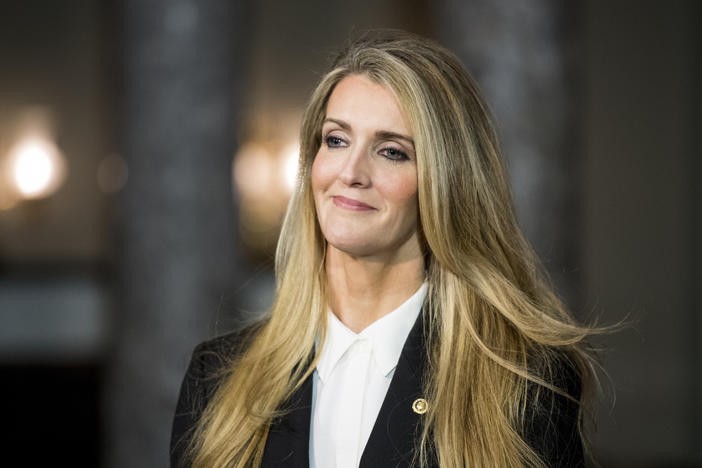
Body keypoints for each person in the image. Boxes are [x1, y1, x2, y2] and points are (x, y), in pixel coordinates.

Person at [171, 29, 597, 468]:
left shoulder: (524, 381)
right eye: (336, 140)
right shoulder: (217, 376)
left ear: (446, 182)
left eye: (391, 151)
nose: (351, 172)